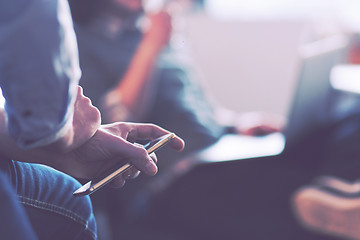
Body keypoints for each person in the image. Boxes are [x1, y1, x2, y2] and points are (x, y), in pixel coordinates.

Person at [0, 0, 185, 239]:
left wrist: (60, 151)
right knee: (68, 203)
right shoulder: (86, 39)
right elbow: (46, 117)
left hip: (208, 144)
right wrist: (60, 138)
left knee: (65, 194)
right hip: (180, 167)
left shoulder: (146, 35)